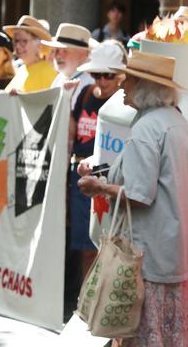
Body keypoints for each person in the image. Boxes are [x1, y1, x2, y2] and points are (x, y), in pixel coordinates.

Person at [77, 51, 188, 347]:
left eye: (129, 80)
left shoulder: (147, 127)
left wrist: (100, 187)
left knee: (147, 336)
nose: (122, 86)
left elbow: (138, 195)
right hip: (173, 249)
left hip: (148, 254)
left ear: (146, 88)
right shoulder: (177, 121)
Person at [69, 43, 127, 275]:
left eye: (108, 75)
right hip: (79, 175)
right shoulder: (84, 94)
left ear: (120, 76)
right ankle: (85, 302)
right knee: (85, 246)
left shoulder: (124, 102)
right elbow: (72, 129)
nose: (102, 81)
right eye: (96, 74)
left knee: (106, 246)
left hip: (107, 178)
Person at [43, 23, 95, 108]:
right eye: (55, 50)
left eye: (64, 51)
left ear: (82, 55)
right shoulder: (59, 78)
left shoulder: (91, 83)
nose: (56, 55)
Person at [3, 16, 57, 92]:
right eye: (16, 41)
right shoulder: (21, 70)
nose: (18, 46)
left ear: (38, 44)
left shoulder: (47, 72)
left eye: (24, 41)